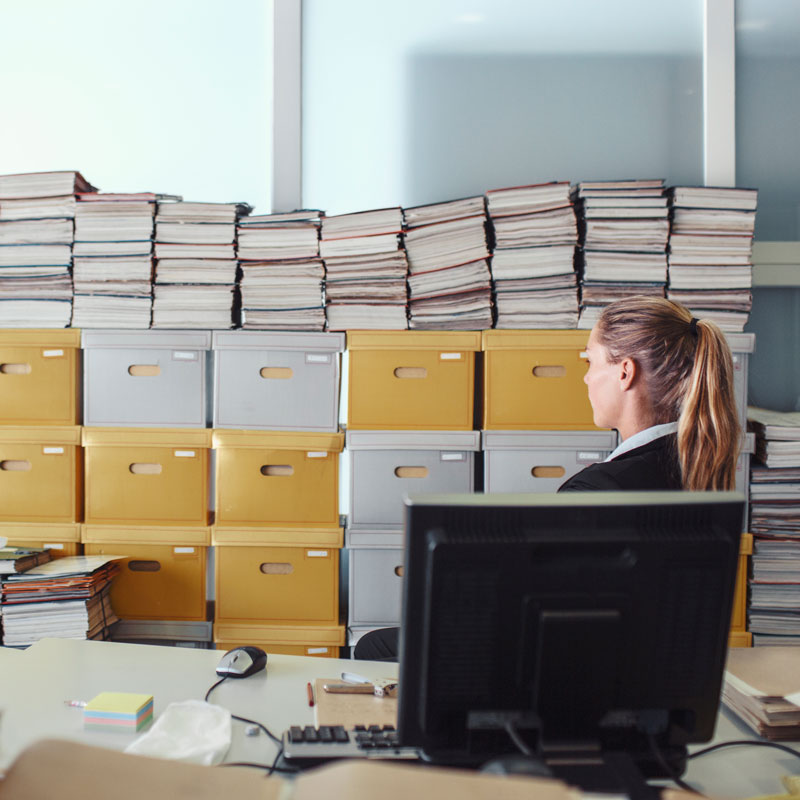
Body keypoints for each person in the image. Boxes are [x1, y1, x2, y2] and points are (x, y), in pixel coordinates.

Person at [353, 296, 741, 660]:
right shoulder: (697, 469)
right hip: (642, 671)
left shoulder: (598, 490)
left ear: (625, 372)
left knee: (373, 646)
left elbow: (537, 618)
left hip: (563, 671)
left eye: (590, 362)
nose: (586, 379)